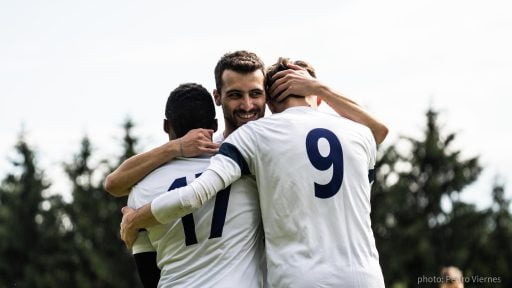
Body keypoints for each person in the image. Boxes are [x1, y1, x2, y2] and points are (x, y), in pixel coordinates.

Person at [120, 57, 386, 288]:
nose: (248, 105)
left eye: (255, 94)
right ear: (316, 97)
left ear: (269, 100)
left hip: (298, 279)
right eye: (236, 94)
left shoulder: (256, 137)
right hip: (366, 277)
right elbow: (380, 133)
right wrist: (323, 89)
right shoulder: (359, 134)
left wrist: (136, 219)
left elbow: (189, 195)